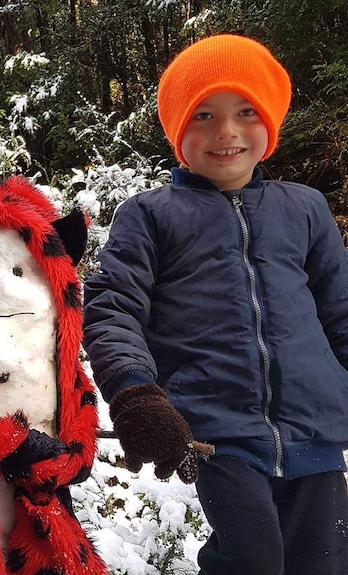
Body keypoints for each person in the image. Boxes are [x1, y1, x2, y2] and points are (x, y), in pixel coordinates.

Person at [82, 34, 348, 575]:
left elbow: (339, 311)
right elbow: (113, 308)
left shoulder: (305, 209)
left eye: (245, 111)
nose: (226, 132)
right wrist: (136, 396)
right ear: (179, 129)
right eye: (203, 114)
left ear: (269, 121)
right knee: (251, 557)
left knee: (324, 560)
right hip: (215, 429)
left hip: (313, 425)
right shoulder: (151, 215)